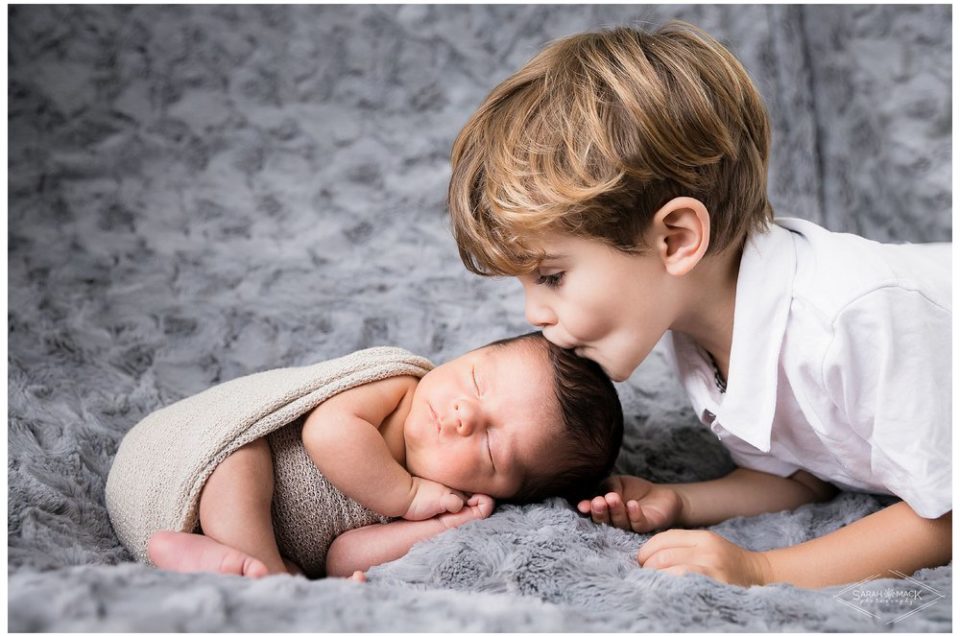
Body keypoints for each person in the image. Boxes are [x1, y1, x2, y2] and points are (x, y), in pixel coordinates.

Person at [446, 21, 951, 588]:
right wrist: (679, 501)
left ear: (676, 240)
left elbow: (947, 516)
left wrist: (761, 567)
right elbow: (808, 470)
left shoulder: (853, 322)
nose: (532, 315)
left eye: (552, 276)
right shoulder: (696, 328)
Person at [142, 332, 623, 579]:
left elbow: (340, 557)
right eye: (477, 381)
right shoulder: (396, 387)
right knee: (241, 458)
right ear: (466, 354)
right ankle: (266, 581)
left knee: (303, 574)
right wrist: (407, 495)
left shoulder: (442, 499)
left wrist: (439, 526)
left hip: (221, 531)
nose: (464, 415)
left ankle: (222, 562)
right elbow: (326, 433)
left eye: (492, 446)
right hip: (193, 460)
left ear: (500, 492)